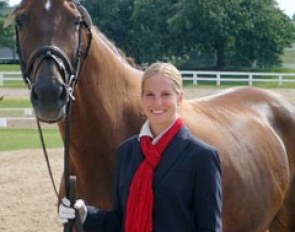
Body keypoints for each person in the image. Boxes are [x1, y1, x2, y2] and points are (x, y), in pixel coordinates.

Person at [59, 62, 223, 231]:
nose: (157, 102)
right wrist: (84, 214)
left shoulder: (202, 157)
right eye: (150, 94)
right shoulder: (127, 152)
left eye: (165, 94)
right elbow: (119, 221)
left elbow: (209, 228)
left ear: (179, 98)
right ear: (142, 98)